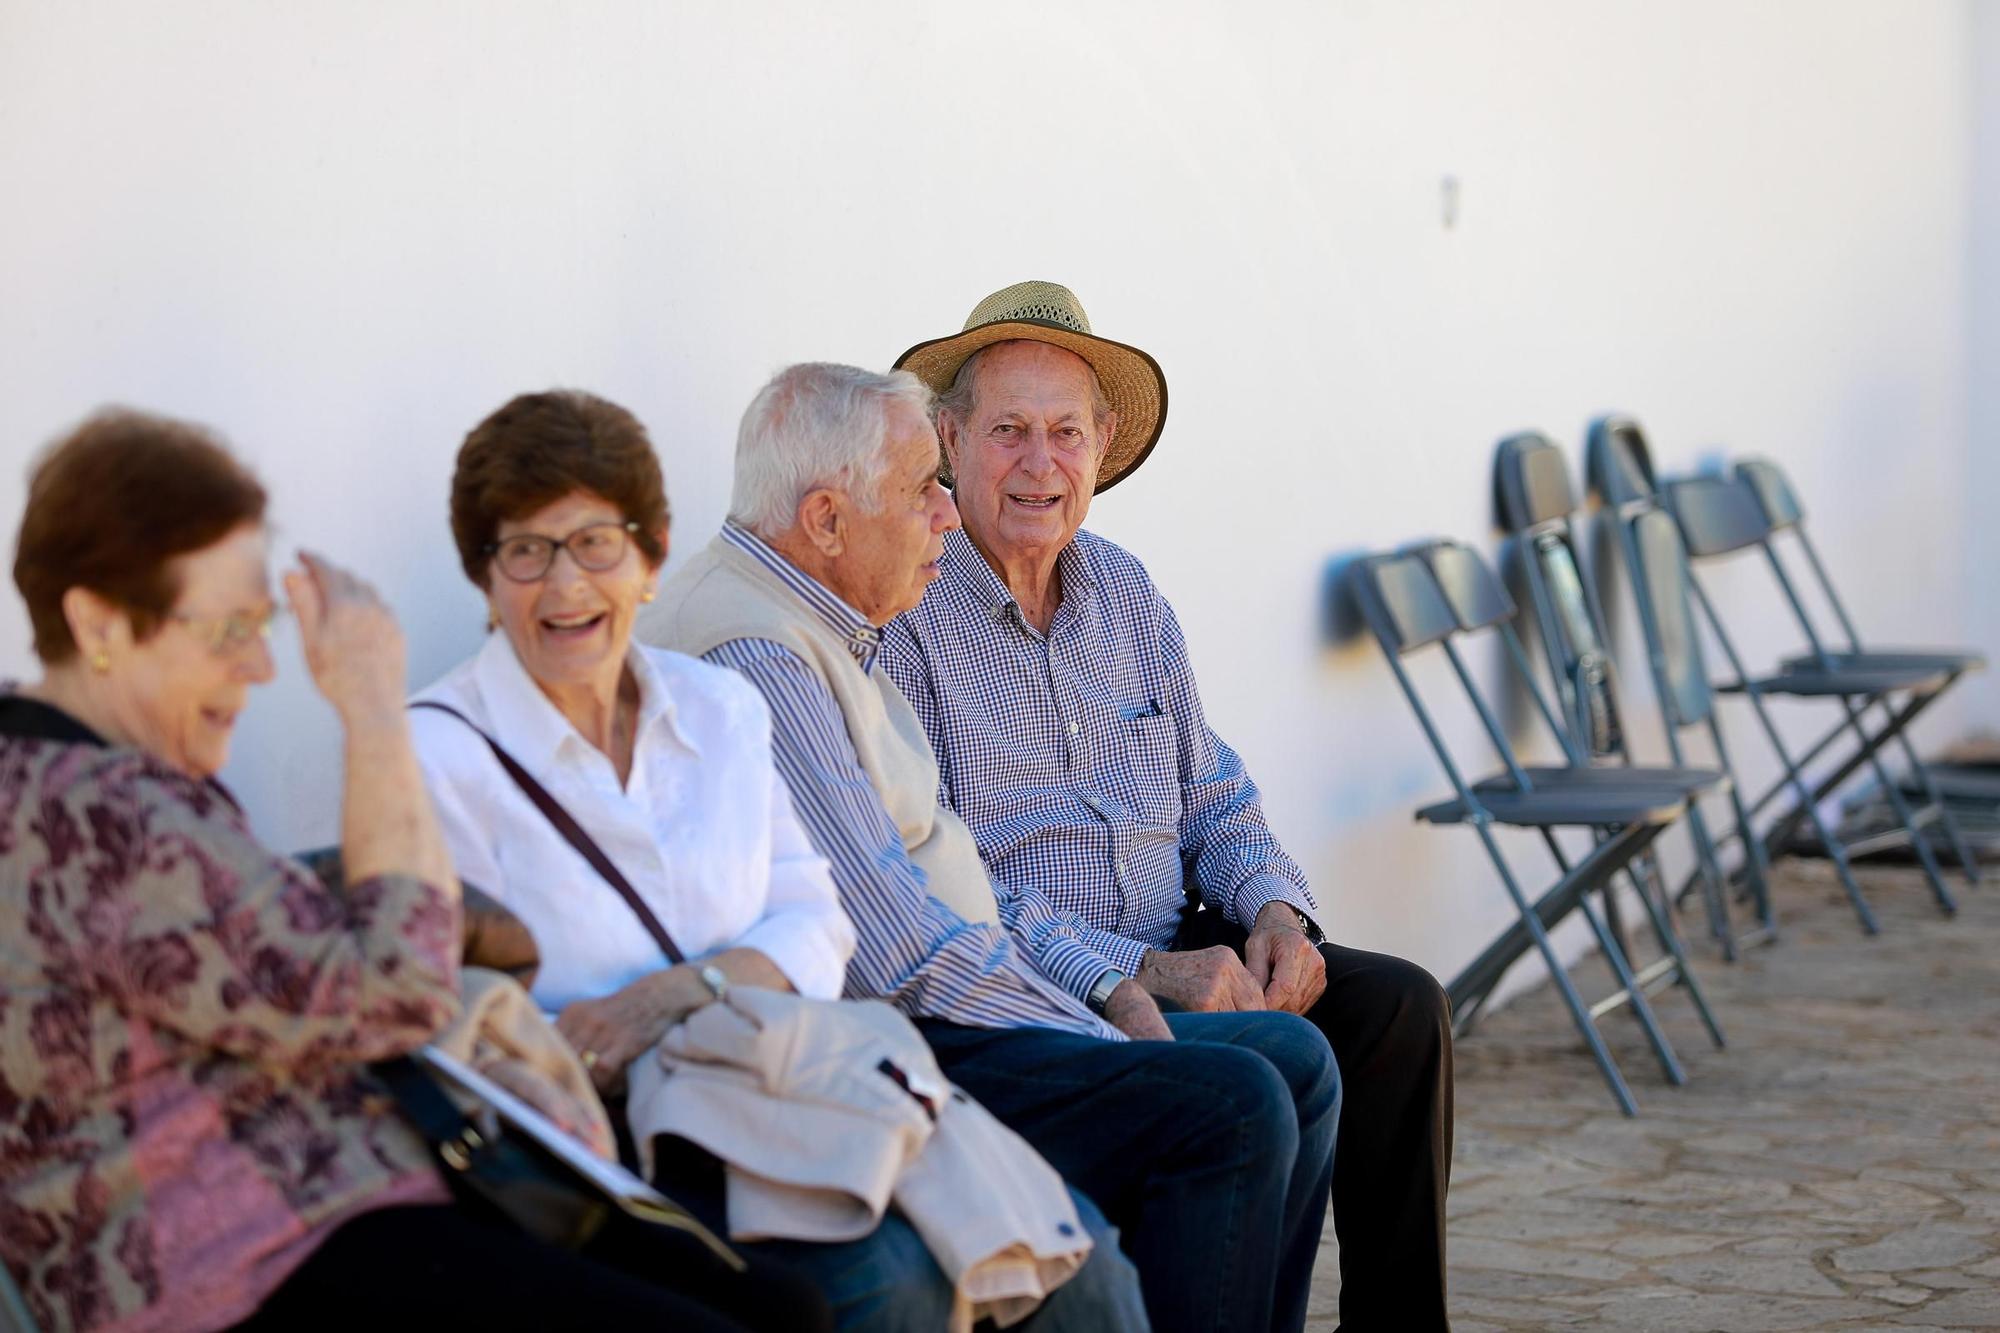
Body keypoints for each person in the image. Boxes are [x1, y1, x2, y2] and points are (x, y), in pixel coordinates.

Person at [0, 409, 809, 1333]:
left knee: (783, 1305)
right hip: (242, 1263)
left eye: (259, 622)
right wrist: (373, 708)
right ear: (96, 622)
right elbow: (397, 995)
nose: (263, 665)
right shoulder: (97, 813)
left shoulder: (74, 779)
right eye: (227, 629)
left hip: (338, 1201)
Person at [407, 389, 1148, 1333]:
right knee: (898, 1281)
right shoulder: (438, 749)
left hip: (788, 1080)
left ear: (649, 557)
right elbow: (448, 1005)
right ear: (483, 571)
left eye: (596, 546)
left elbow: (816, 916)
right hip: (621, 1133)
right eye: (525, 552)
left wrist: (675, 993)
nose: (565, 587)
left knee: (1082, 1267)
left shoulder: (713, 705)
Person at [645, 362, 1338, 1333]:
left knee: (1302, 1058)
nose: (942, 514)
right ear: (826, 520)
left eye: (1066, 432)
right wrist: (1098, 1012)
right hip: (898, 1035)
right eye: (923, 486)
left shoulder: (831, 625)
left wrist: (1106, 985)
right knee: (1232, 1102)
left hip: (988, 984)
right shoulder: (766, 651)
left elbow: (946, 866)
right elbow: (900, 952)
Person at [879, 280, 1456, 1331]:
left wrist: (1276, 911)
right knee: (1273, 1068)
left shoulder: (1128, 594)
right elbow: (942, 872)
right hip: (1049, 984)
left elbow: (1213, 794)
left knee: (1398, 1010)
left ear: (1101, 445)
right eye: (1007, 430)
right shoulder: (908, 619)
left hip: (1192, 943)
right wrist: (1140, 970)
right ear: (949, 441)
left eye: (1064, 432)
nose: (1038, 463)